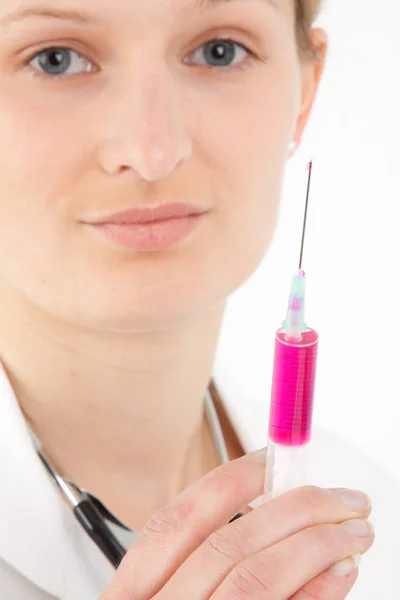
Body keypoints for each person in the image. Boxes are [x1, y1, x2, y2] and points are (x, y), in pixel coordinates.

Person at [0, 0, 398, 598]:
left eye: (220, 51)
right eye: (55, 60)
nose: (153, 151)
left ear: (303, 98)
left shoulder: (367, 523)